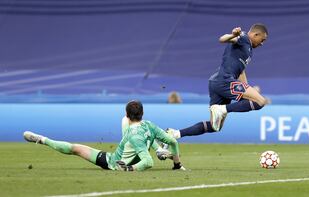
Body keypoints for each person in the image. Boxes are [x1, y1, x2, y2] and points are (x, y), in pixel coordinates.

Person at [167, 23, 270, 139]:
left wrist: (248, 89)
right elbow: (222, 39)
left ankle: (175, 134)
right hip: (224, 80)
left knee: (214, 126)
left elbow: (241, 71)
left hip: (216, 82)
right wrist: (232, 35)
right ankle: (222, 109)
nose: (262, 43)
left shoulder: (249, 50)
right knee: (261, 101)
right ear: (256, 34)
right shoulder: (244, 38)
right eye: (262, 40)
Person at [23, 100, 185, 171]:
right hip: (121, 154)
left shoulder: (132, 132)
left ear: (128, 115)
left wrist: (129, 169)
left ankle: (43, 139)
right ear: (143, 113)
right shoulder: (149, 124)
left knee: (74, 148)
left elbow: (148, 162)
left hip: (112, 162)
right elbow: (172, 141)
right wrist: (176, 164)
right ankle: (41, 139)